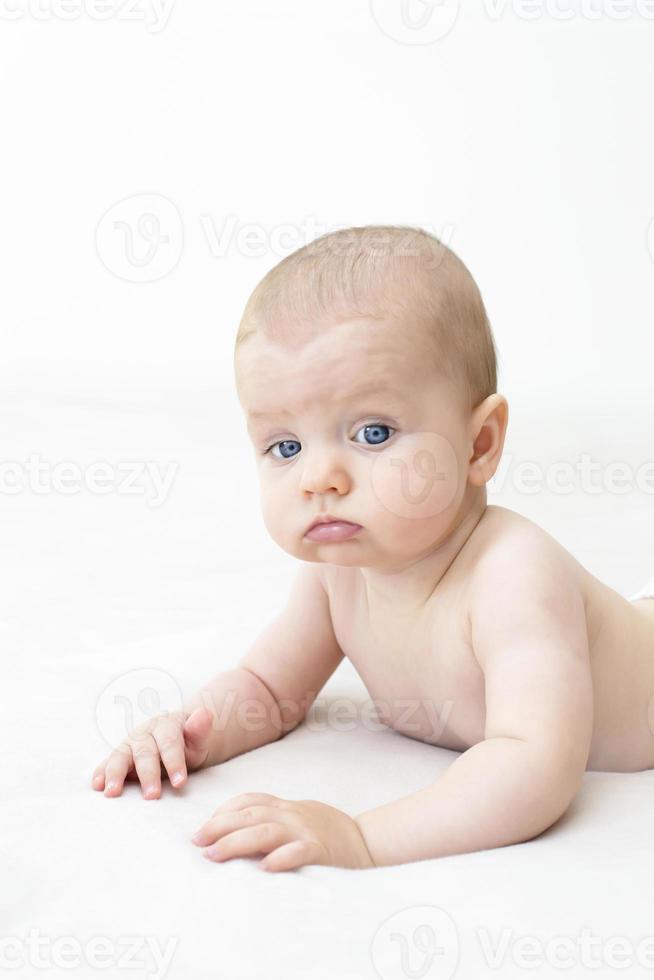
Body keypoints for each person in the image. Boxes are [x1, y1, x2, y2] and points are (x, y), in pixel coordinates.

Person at [91, 225, 654, 872]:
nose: (318, 478)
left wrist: (362, 836)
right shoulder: (340, 577)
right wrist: (191, 734)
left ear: (479, 445)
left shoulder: (513, 575)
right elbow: (268, 691)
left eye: (374, 432)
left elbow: (536, 764)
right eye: (285, 446)